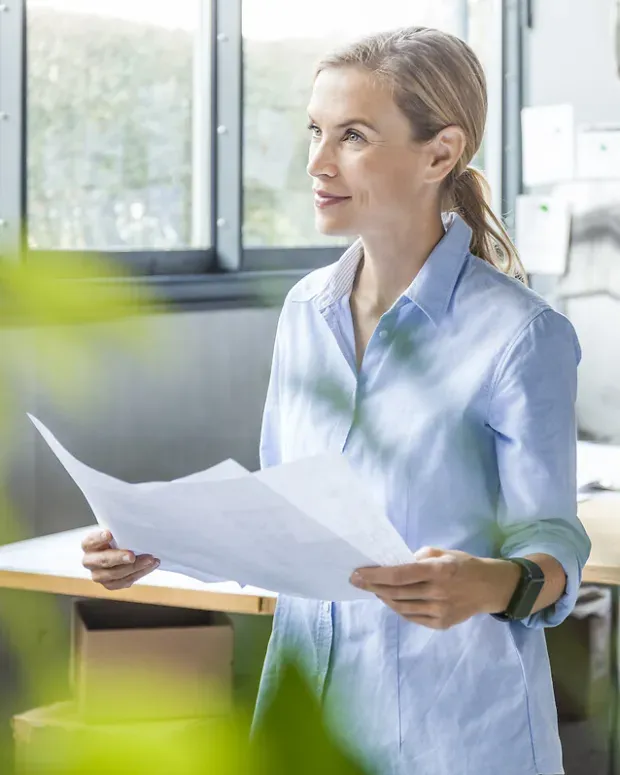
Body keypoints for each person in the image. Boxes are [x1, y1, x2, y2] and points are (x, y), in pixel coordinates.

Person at [81, 26, 591, 775]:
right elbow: (281, 519)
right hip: (309, 724)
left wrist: (490, 581)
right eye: (315, 131)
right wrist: (159, 543)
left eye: (352, 135)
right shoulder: (304, 311)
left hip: (455, 736)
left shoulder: (520, 335)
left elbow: (555, 543)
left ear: (440, 154)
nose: (317, 163)